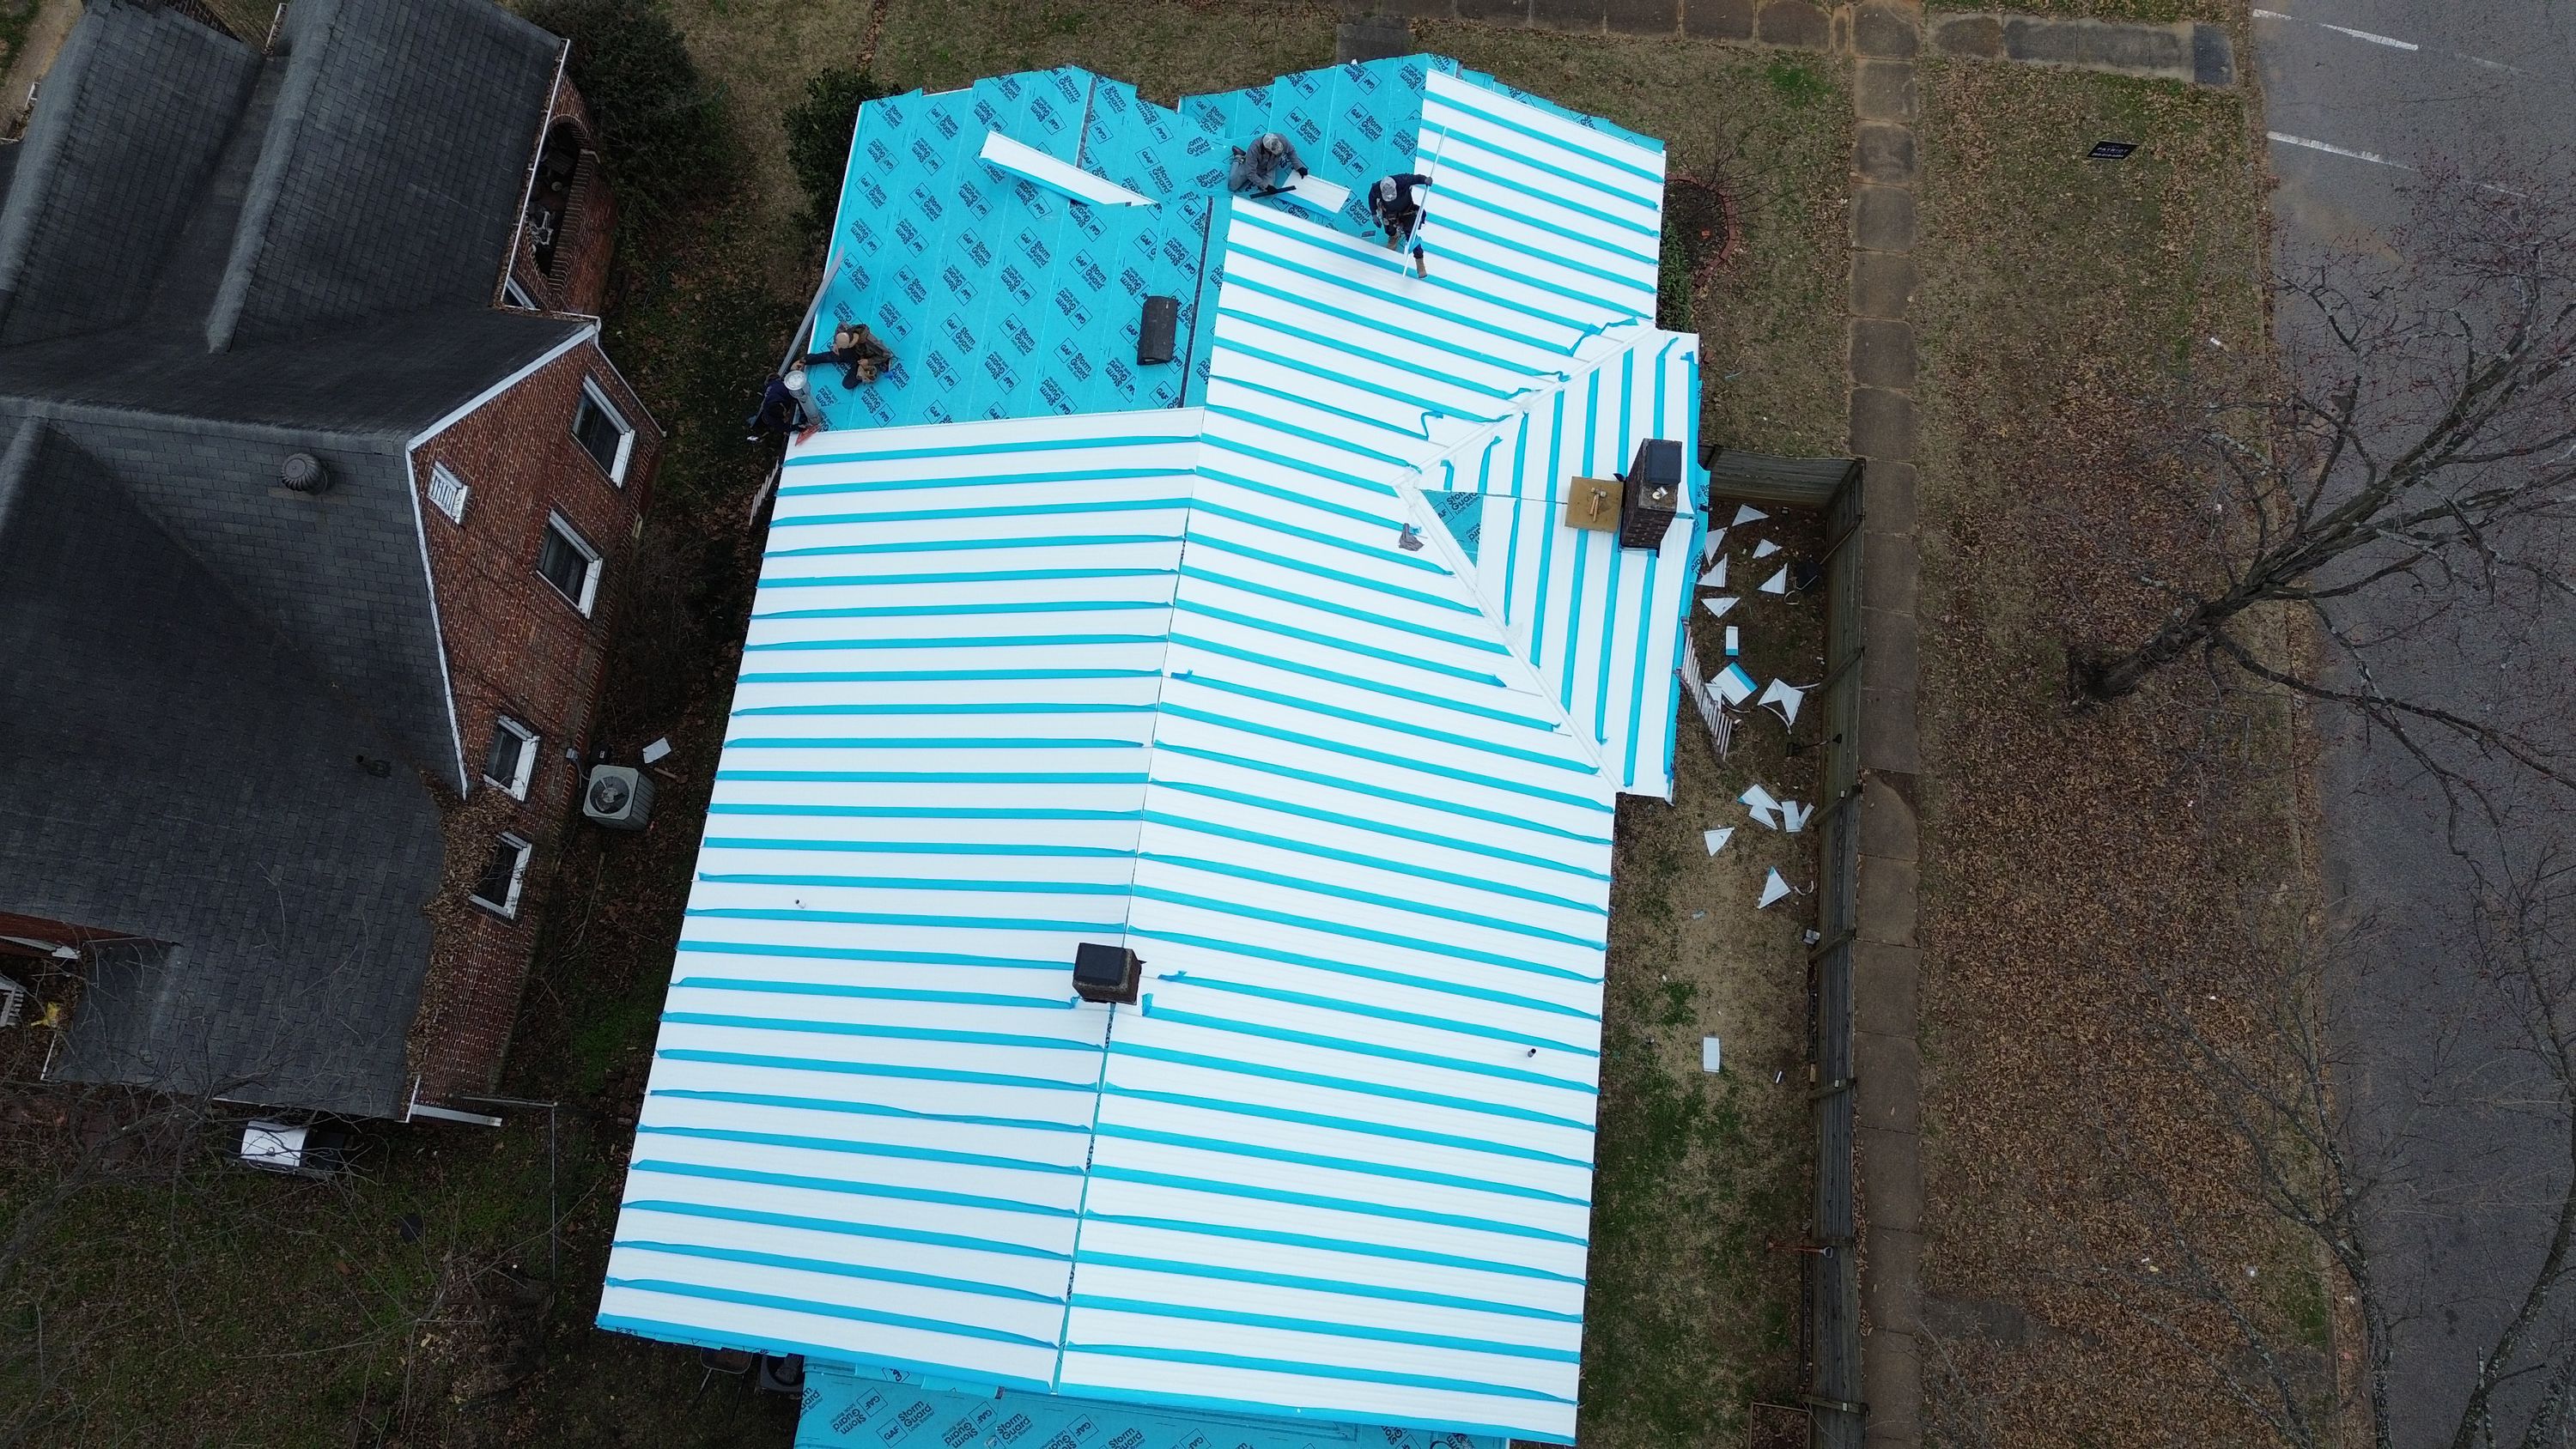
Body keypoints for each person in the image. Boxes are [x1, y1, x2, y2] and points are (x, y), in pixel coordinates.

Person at [1369, 173, 1432, 278]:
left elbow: (1416, 178)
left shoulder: (1403, 180)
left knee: (1411, 236)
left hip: (1407, 211)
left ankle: (1419, 261)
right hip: (1389, 212)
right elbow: (1371, 198)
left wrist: (1425, 180)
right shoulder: (1376, 188)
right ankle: (1394, 237)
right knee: (1389, 229)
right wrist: (1374, 214)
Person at [803, 320, 894, 388]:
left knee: (848, 384)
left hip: (862, 359)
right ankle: (805, 360)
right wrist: (836, 343)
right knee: (830, 356)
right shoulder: (846, 330)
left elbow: (886, 355)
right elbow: (840, 325)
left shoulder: (871, 342)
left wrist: (869, 361)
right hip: (851, 352)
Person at [744, 369, 819, 445]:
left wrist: (803, 414)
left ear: (781, 404)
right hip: (772, 396)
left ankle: (771, 380)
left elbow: (799, 398)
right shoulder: (769, 416)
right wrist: (795, 427)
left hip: (774, 386)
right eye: (784, 414)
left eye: (785, 411)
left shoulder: (784, 390)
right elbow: (781, 427)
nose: (786, 414)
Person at [1225, 132, 1308, 197]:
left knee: (1269, 193)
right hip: (1252, 167)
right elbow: (1250, 173)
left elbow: (1291, 152)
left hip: (1270, 168)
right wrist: (1266, 186)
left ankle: (1263, 184)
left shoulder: (1282, 139)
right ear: (1267, 149)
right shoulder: (1254, 149)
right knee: (1232, 186)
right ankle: (1238, 157)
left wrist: (1299, 167)